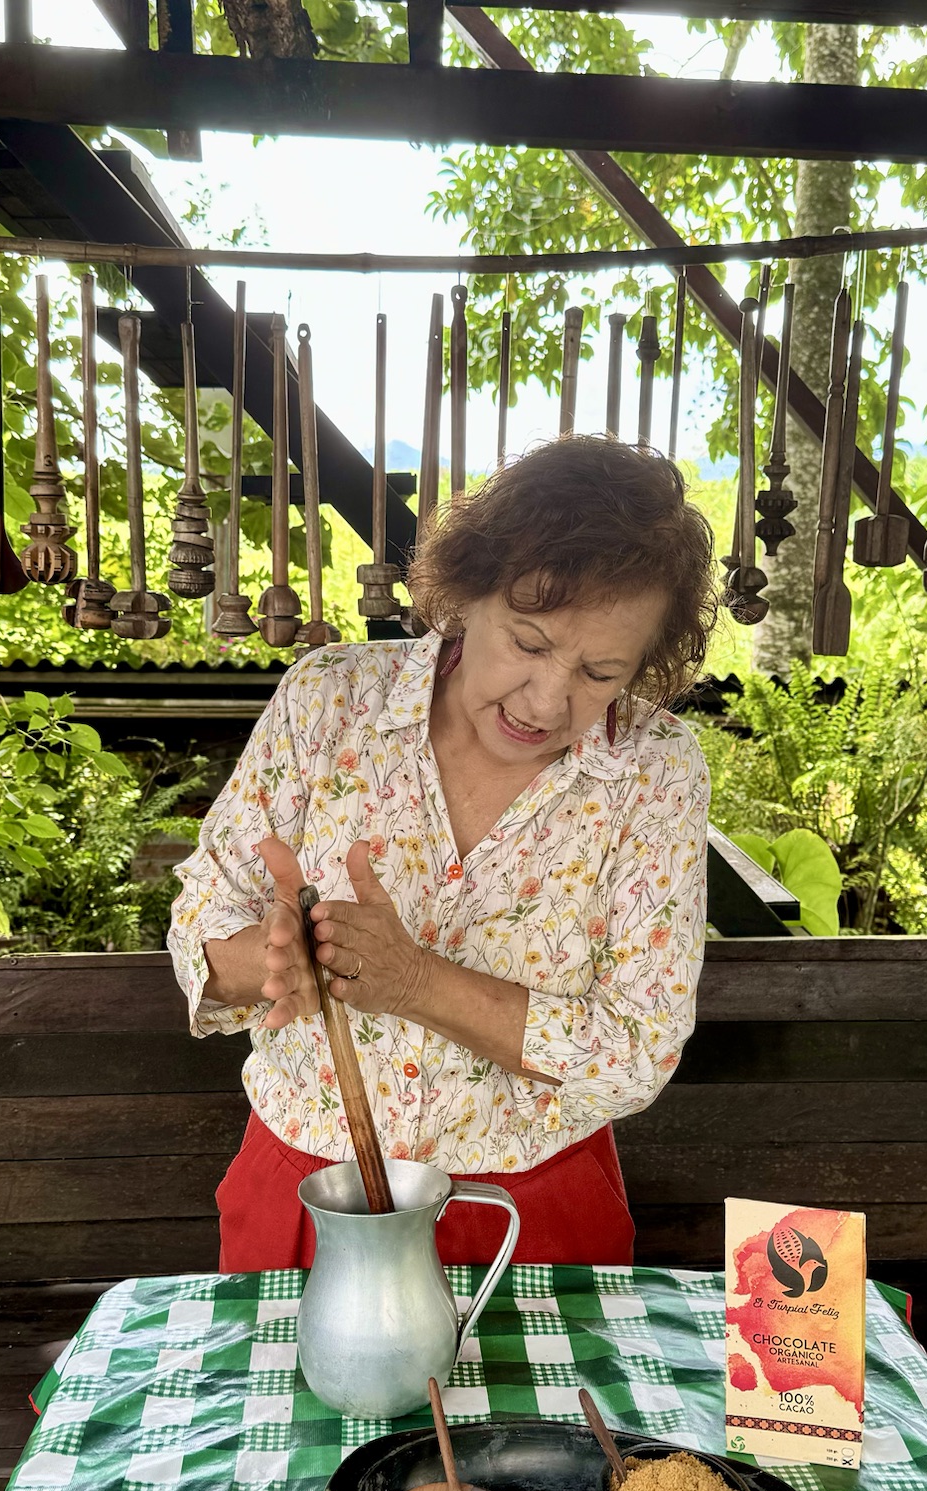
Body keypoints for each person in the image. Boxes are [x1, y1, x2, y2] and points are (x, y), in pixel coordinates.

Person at [168, 433, 717, 1272]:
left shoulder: (654, 769)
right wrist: (272, 960)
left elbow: (637, 1052)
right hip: (312, 1195)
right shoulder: (330, 701)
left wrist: (416, 982)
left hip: (532, 1210)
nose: (548, 701)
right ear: (467, 592)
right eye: (529, 643)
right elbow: (202, 928)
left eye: (601, 673)